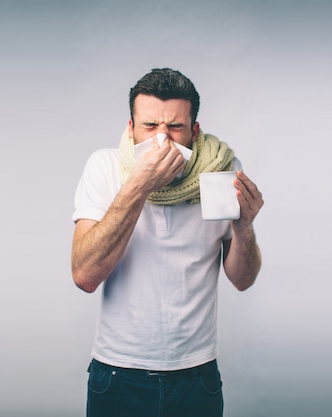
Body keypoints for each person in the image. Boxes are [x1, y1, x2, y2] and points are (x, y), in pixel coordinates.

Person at [71, 68, 264, 417]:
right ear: (130, 129)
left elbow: (242, 279)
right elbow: (85, 276)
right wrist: (138, 186)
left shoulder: (222, 170)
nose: (162, 140)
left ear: (194, 130)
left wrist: (244, 227)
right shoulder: (104, 167)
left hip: (196, 374)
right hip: (118, 372)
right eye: (149, 126)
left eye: (175, 127)